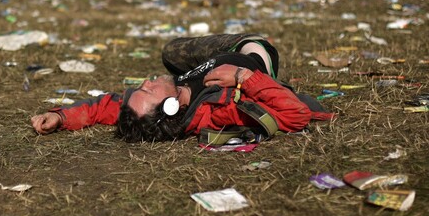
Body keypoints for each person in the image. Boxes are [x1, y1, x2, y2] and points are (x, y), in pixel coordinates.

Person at [31, 33, 334, 142]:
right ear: (170, 107)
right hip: (250, 58)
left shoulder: (165, 101)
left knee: (171, 51)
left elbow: (108, 106)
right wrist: (244, 74)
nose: (145, 82)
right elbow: (297, 116)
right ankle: (254, 48)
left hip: (207, 65)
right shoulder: (219, 110)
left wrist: (60, 117)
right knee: (254, 44)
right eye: (148, 91)